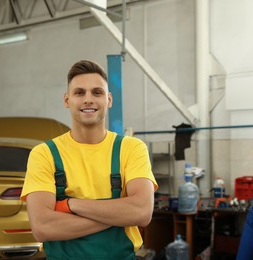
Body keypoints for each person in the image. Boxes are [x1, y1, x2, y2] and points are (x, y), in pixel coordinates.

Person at [20, 60, 158, 259]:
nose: (88, 99)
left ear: (109, 100)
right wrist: (118, 215)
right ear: (67, 100)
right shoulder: (44, 154)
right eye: (79, 93)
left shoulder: (131, 148)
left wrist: (71, 205)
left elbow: (142, 212)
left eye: (97, 92)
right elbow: (42, 227)